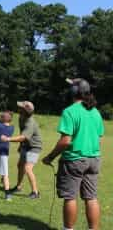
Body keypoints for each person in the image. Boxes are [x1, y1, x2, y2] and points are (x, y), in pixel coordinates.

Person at [42, 78, 104, 230]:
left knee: (70, 197)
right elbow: (99, 137)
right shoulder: (95, 112)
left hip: (74, 161)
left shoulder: (69, 111)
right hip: (94, 160)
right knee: (91, 197)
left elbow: (65, 141)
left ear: (73, 92)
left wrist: (50, 157)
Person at [1, 101, 42, 199]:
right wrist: (21, 146)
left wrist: (8, 139)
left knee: (28, 168)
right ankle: (18, 186)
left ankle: (35, 192)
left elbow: (23, 136)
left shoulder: (30, 122)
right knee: (20, 166)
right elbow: (21, 134)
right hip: (25, 146)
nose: (18, 108)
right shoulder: (21, 118)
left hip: (34, 147)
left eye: (20, 107)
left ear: (25, 111)